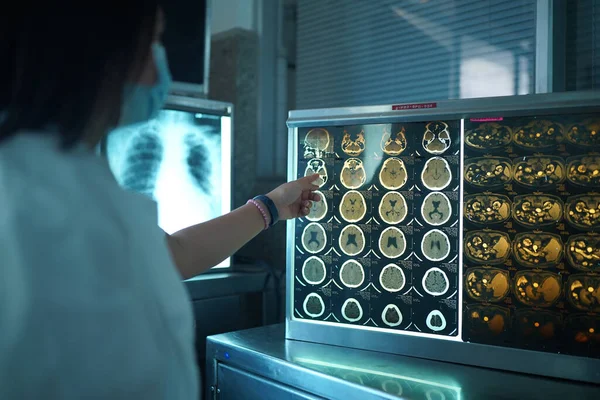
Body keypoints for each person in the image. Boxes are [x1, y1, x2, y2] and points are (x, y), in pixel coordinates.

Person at [0, 5, 319, 399]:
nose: (159, 67)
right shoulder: (28, 194)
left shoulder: (77, 176)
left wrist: (272, 206)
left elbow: (174, 252)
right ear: (101, 54)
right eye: (152, 43)